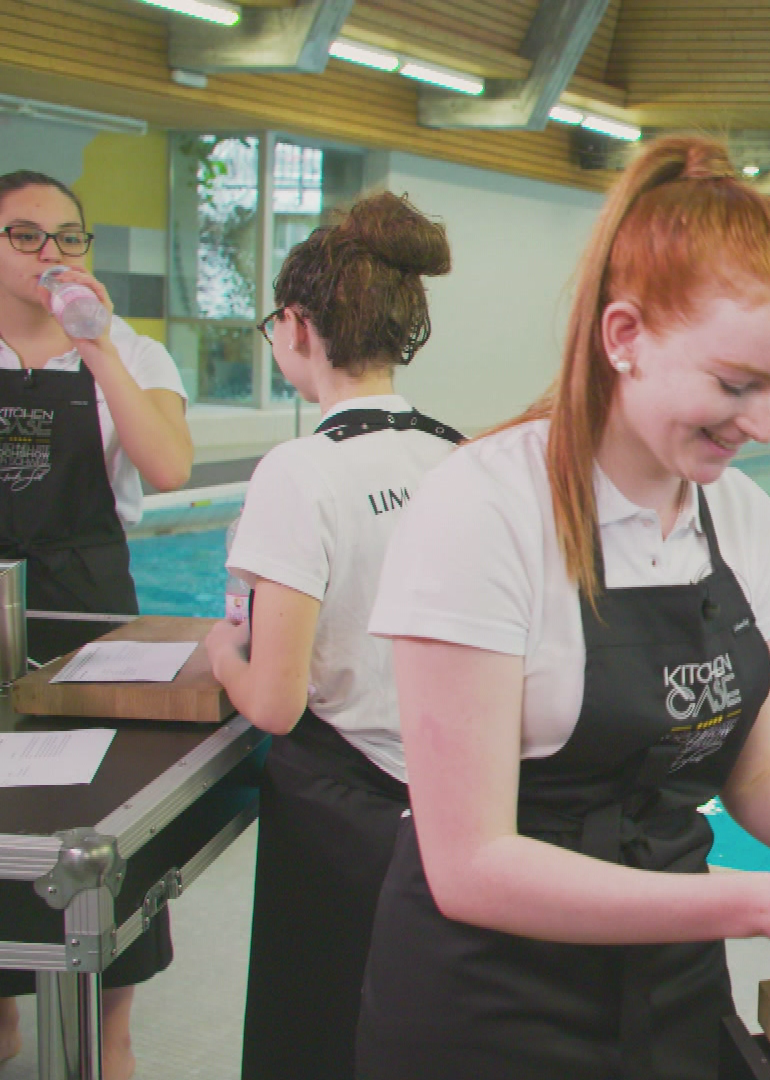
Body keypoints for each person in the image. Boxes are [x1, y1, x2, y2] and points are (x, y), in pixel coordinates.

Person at [354, 136, 770, 1080]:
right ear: (624, 337)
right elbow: (471, 863)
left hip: (670, 987)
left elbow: (755, 776)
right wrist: (761, 904)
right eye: (736, 385)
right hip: (485, 1007)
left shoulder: (747, 522)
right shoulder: (483, 509)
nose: (764, 424)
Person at [201, 191, 460, 1080]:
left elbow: (274, 702)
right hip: (453, 811)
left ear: (300, 326)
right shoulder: (458, 455)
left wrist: (219, 657)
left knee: (316, 1041)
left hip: (341, 823)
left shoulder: (301, 471)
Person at [0, 170, 193, 1079]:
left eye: (68, 238)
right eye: (26, 236)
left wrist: (99, 346)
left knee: (103, 907)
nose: (50, 255)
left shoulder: (137, 354)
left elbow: (170, 469)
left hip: (90, 630)